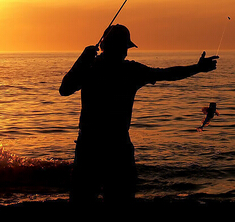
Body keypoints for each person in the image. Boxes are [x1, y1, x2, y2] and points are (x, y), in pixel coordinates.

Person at [59, 24, 218, 208]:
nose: (125, 53)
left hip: (91, 148)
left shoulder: (92, 68)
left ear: (102, 45)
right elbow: (167, 74)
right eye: (124, 48)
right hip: (114, 149)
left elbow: (65, 89)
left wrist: (82, 61)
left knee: (83, 203)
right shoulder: (126, 71)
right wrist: (197, 68)